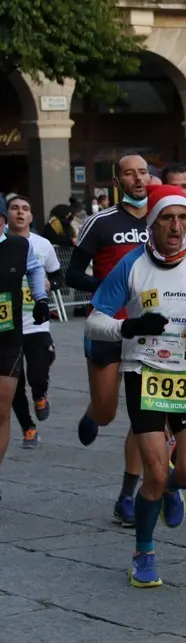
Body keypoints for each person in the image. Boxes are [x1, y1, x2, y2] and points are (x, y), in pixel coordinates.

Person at [85, 184, 186, 587]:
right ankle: (144, 552)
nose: (176, 226)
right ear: (151, 223)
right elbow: (94, 320)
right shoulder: (131, 265)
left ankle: (169, 488)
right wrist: (129, 326)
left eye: (182, 218)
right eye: (167, 217)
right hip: (143, 374)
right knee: (151, 472)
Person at [69, 154, 152, 528]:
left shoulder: (162, 219)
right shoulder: (101, 222)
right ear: (118, 180)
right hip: (106, 326)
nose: (138, 179)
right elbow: (73, 274)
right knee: (108, 412)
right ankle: (92, 413)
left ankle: (126, 497)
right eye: (130, 173)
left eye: (143, 172)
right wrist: (106, 288)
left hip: (148, 331)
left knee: (142, 415)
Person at [0, 197, 50, 502]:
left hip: (6, 336)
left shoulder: (19, 246)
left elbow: (34, 269)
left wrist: (41, 298)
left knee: (1, 409)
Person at [6, 196, 61, 448]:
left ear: (31, 217)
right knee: (12, 383)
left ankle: (40, 394)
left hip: (36, 322)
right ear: (6, 215)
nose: (20, 213)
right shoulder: (3, 243)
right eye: (14, 208)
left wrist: (48, 287)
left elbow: (57, 276)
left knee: (37, 372)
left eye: (25, 209)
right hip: (9, 325)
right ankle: (28, 428)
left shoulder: (42, 245)